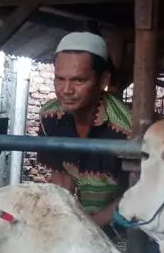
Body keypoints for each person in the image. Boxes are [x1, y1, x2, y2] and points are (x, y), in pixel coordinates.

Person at [36, 31, 132, 233]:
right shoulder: (50, 116)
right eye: (60, 79)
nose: (66, 90)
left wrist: (89, 227)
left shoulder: (127, 129)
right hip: (69, 224)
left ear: (103, 80)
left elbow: (136, 195)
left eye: (78, 80)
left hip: (117, 232)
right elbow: (58, 174)